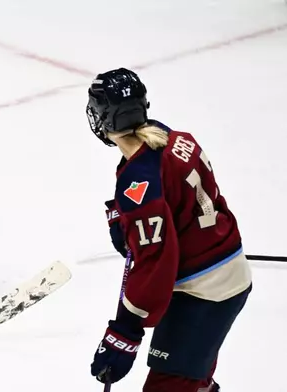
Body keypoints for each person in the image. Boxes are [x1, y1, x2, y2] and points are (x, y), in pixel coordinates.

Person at [86, 68, 252, 391]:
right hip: (225, 275)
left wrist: (126, 330)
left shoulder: (140, 183)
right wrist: (131, 223)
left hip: (206, 293)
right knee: (193, 381)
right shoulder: (175, 139)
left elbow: (156, 263)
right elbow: (177, 204)